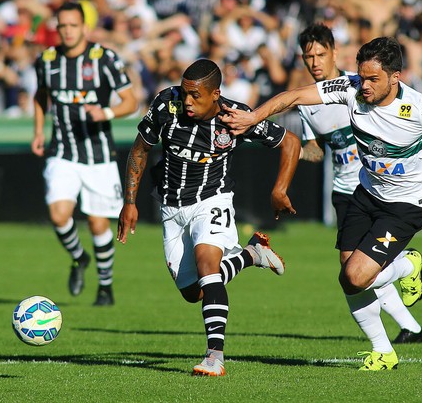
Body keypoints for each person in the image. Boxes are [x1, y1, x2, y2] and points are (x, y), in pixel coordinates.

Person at [224, 36, 422, 371]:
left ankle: (407, 266)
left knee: (357, 275)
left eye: (373, 79)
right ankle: (384, 351)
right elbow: (294, 96)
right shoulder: (349, 87)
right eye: (362, 77)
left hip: (405, 205)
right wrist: (253, 118)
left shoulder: (419, 108)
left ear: (395, 77)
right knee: (348, 279)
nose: (364, 86)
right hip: (366, 195)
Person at [117, 58, 300, 376]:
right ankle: (251, 254)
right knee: (193, 292)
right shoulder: (166, 104)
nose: (187, 101)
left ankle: (214, 357)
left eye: (195, 95)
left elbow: (290, 142)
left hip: (212, 201)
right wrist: (129, 202)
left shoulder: (236, 117)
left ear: (215, 94)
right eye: (185, 93)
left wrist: (280, 190)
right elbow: (139, 150)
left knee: (207, 266)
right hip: (171, 208)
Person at [296, 23, 422, 344]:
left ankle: (401, 322)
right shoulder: (307, 103)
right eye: (308, 56)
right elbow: (314, 148)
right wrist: (294, 150)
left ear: (335, 52)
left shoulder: (358, 87)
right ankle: (411, 327)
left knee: (362, 271)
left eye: (320, 54)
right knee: (354, 272)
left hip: (376, 189)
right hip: (344, 192)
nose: (314, 62)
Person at [31, 1, 137, 306]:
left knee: (98, 224)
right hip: (62, 151)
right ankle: (79, 257)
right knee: (58, 214)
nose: (66, 31)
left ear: (84, 28)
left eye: (72, 25)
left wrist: (104, 112)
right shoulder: (47, 60)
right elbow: (41, 96)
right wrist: (38, 131)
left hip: (99, 155)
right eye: (61, 26)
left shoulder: (103, 58)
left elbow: (131, 102)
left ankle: (105, 287)